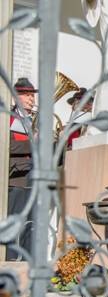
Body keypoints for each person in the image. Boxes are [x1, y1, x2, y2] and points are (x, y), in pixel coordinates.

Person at [7, 78, 37, 260]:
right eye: (27, 95)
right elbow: (8, 146)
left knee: (31, 225)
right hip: (15, 180)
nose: (32, 99)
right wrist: (34, 144)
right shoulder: (8, 118)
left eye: (32, 95)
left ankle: (28, 266)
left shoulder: (32, 120)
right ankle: (8, 263)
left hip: (32, 179)